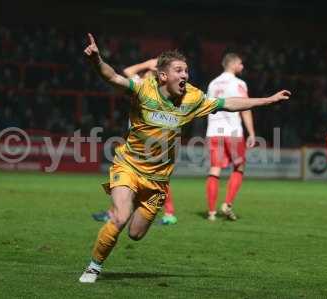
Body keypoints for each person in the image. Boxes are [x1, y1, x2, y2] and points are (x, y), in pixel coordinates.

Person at [79, 33, 290, 283]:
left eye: (187, 70)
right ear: (163, 76)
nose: (185, 75)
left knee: (135, 234)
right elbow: (113, 76)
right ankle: (93, 267)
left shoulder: (191, 98)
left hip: (158, 181)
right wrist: (96, 60)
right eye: (179, 70)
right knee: (120, 216)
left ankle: (134, 203)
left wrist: (267, 100)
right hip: (129, 166)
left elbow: (227, 103)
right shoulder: (144, 89)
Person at [92, 58, 178, 225]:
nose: (142, 74)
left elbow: (128, 72)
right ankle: (115, 211)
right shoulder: (141, 88)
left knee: (155, 176)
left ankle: (168, 213)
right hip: (138, 138)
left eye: (148, 73)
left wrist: (149, 65)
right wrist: (149, 64)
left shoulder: (155, 89)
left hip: (152, 139)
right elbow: (128, 72)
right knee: (129, 173)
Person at [205, 53, 255, 221]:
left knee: (215, 168)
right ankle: (227, 204)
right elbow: (245, 107)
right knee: (239, 167)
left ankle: (211, 212)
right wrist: (252, 132)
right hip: (233, 131)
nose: (242, 66)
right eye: (240, 63)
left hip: (213, 130)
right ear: (233, 64)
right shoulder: (239, 83)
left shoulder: (212, 83)